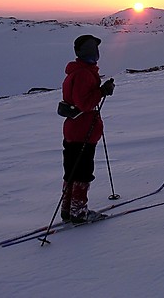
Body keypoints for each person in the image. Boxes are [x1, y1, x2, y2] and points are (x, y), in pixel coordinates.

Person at [60, 34, 115, 223]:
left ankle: (68, 210)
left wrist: (100, 90)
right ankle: (79, 212)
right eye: (94, 50)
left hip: (73, 129)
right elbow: (84, 104)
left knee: (72, 170)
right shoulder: (83, 74)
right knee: (82, 171)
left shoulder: (76, 72)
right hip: (83, 131)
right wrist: (102, 91)